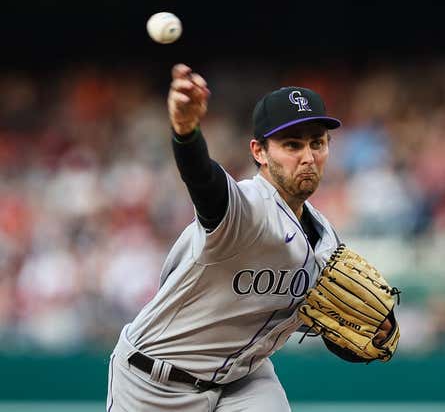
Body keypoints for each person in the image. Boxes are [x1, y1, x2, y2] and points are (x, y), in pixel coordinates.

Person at [106, 64, 392, 411]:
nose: (308, 157)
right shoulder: (247, 207)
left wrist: (364, 334)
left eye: (318, 143)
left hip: (243, 380)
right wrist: (186, 133)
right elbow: (204, 183)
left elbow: (326, 323)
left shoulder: (326, 241)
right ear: (259, 152)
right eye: (292, 144)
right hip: (155, 381)